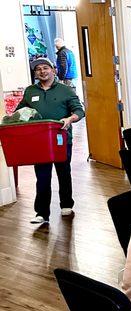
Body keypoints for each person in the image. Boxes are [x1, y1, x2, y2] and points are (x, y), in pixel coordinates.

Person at [16, 58, 85, 224]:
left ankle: (66, 205)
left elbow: (79, 110)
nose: (42, 71)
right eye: (38, 69)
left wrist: (70, 119)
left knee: (63, 172)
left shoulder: (65, 90)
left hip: (61, 139)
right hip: (39, 142)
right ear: (35, 73)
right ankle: (42, 213)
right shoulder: (30, 91)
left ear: (53, 70)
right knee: (42, 176)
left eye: (45, 68)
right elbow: (20, 111)